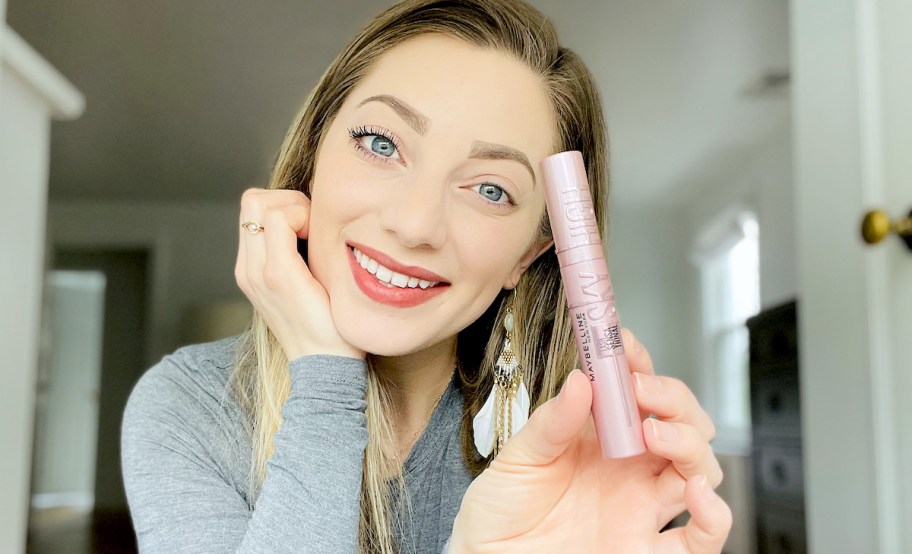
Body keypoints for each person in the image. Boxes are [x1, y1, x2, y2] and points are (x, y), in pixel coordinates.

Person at [121, 0, 732, 552]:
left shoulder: (578, 454)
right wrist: (325, 382)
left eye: (490, 189)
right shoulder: (193, 405)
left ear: (530, 252)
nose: (415, 224)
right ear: (312, 156)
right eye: (382, 144)